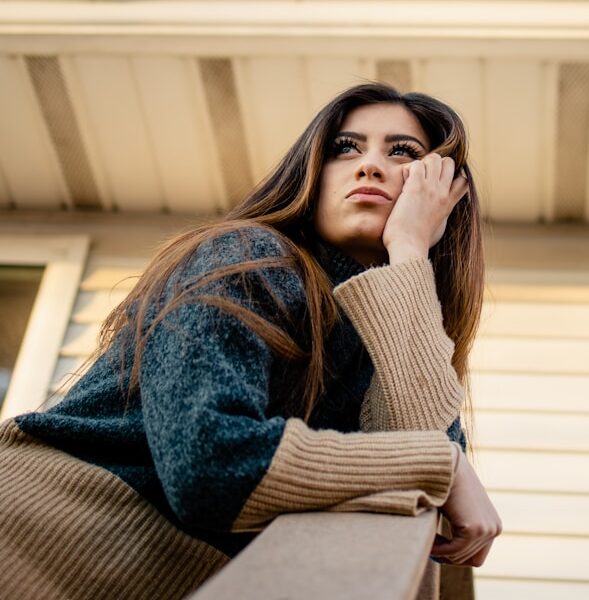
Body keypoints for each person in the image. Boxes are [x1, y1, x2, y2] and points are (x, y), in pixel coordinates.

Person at [0, 82, 502, 599]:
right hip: (33, 540)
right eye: (344, 148)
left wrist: (410, 253)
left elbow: (420, 488)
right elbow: (210, 460)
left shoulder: (396, 335)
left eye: (403, 153)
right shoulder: (248, 257)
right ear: (311, 172)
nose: (369, 165)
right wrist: (440, 464)